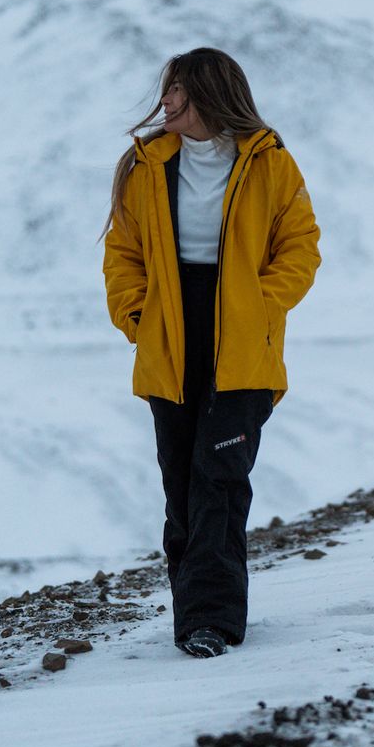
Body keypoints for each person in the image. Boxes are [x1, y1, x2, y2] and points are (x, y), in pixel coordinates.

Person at [101, 48, 321, 658]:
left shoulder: (269, 162)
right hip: (169, 337)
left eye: (176, 92)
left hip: (243, 345)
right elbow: (122, 253)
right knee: (181, 484)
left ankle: (211, 622)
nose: (165, 101)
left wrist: (258, 306)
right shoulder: (144, 165)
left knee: (219, 479)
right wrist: (138, 316)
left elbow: (300, 246)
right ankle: (194, 611)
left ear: (209, 95)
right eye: (166, 91)